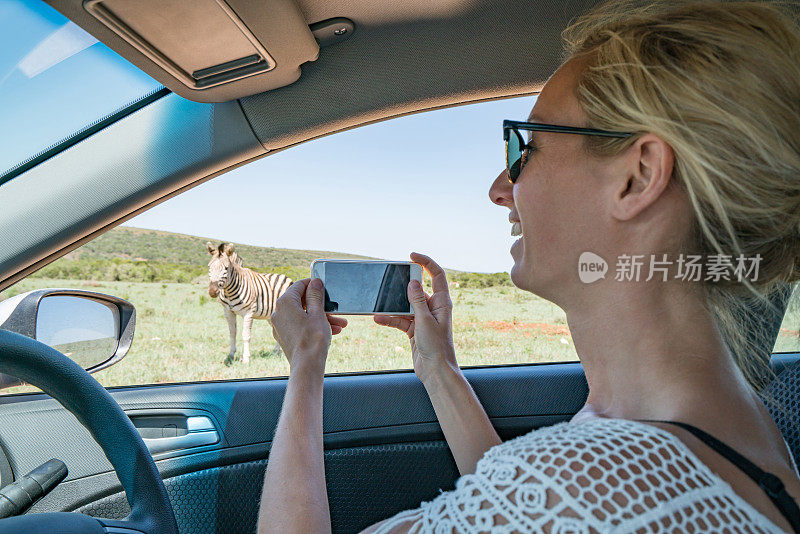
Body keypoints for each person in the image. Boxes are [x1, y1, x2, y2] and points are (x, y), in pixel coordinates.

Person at [256, 0, 800, 531]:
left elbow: (547, 499)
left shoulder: (589, 482)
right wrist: (437, 366)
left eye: (526, 147)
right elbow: (526, 502)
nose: (499, 189)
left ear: (637, 177)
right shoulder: (737, 432)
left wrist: (305, 364)